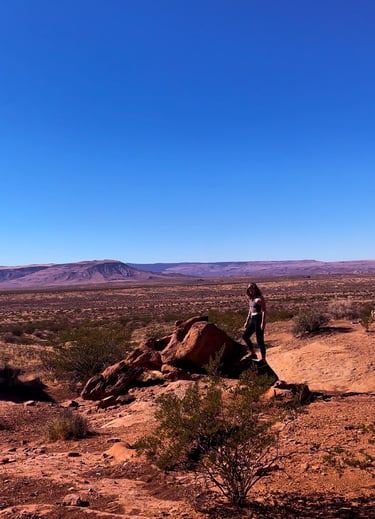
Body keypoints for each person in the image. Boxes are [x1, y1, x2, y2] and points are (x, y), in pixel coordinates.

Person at [242, 282, 267, 361]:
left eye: (252, 289)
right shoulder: (251, 298)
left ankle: (263, 358)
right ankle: (253, 353)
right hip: (252, 319)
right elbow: (250, 310)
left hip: (258, 319)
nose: (250, 291)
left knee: (259, 340)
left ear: (255, 289)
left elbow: (264, 310)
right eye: (249, 289)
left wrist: (263, 322)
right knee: (245, 336)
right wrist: (247, 321)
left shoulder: (259, 298)